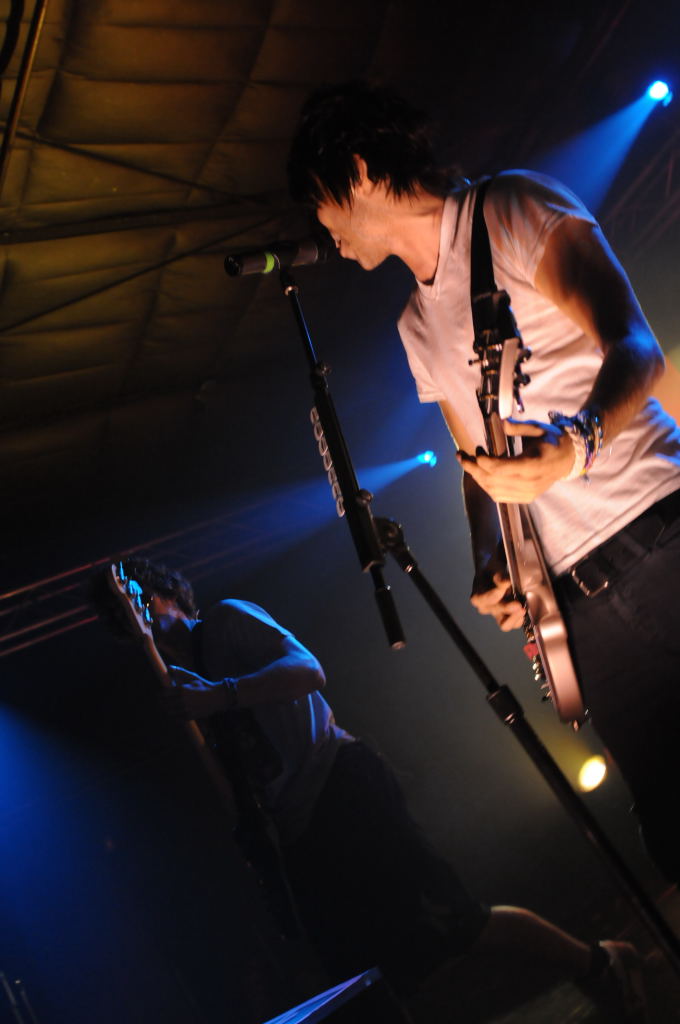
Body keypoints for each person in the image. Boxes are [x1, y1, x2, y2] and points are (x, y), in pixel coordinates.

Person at [286, 81, 680, 888]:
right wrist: (489, 560)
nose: (322, 229)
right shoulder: (414, 325)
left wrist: (576, 446)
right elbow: (478, 472)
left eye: (319, 203)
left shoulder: (511, 208)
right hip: (579, 607)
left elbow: (637, 346)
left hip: (659, 538)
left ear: (357, 171)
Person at [96, 557, 648, 1020]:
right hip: (303, 835)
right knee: (364, 977)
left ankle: (599, 961)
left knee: (458, 922)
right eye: (125, 615)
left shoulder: (226, 622)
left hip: (342, 787)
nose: (139, 614)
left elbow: (309, 670)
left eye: (141, 599)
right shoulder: (181, 690)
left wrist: (221, 694)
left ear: (168, 594)